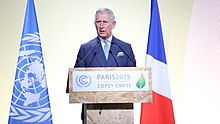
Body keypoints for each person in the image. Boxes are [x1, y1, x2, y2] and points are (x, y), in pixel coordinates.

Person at [74, 7, 136, 123]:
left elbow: (133, 78)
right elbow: (76, 80)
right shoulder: (86, 49)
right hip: (93, 112)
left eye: (105, 22)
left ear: (113, 24)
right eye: (98, 22)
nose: (101, 26)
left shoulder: (125, 48)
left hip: (121, 113)